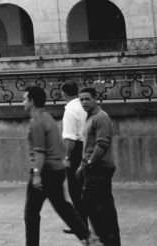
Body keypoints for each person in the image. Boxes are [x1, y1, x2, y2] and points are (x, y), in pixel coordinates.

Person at [22, 86, 91, 246]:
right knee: (63, 207)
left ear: (32, 101)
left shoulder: (37, 121)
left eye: (25, 99)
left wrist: (37, 175)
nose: (23, 102)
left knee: (31, 214)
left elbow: (39, 152)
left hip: (45, 172)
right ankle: (88, 238)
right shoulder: (47, 118)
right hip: (56, 170)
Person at [77, 87, 121, 246]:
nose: (84, 102)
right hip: (92, 169)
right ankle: (102, 240)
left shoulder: (101, 118)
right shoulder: (90, 117)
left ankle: (104, 240)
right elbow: (88, 146)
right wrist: (83, 166)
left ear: (96, 99)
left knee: (100, 210)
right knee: (97, 208)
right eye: (81, 99)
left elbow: (101, 145)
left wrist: (88, 164)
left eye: (87, 99)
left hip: (99, 169)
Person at [61, 81, 87, 227]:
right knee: (83, 187)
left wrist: (66, 157)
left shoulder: (70, 110)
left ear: (63, 93)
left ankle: (81, 223)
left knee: (75, 189)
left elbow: (69, 139)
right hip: (86, 146)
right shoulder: (83, 106)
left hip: (76, 150)